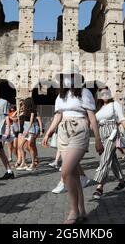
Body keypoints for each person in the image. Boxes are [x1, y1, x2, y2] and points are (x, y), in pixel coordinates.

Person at [42, 68, 103, 224]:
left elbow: (92, 117)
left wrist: (97, 139)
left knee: (66, 170)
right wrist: (48, 132)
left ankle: (73, 210)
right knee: (73, 175)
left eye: (70, 76)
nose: (67, 79)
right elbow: (58, 115)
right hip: (63, 131)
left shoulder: (84, 93)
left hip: (79, 128)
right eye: (64, 77)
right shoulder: (61, 96)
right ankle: (82, 211)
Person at [92, 87, 125, 199]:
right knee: (112, 159)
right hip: (101, 134)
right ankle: (122, 182)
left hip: (112, 133)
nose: (104, 94)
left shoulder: (115, 104)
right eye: (102, 93)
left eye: (106, 92)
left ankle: (99, 187)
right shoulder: (98, 108)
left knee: (105, 158)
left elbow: (122, 119)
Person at [18, 98, 43, 171]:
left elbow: (31, 121)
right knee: (20, 146)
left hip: (31, 129)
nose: (24, 104)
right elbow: (18, 116)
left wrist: (28, 130)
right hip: (26, 129)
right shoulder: (25, 110)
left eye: (25, 103)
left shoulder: (33, 111)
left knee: (30, 146)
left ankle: (33, 164)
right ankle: (23, 162)